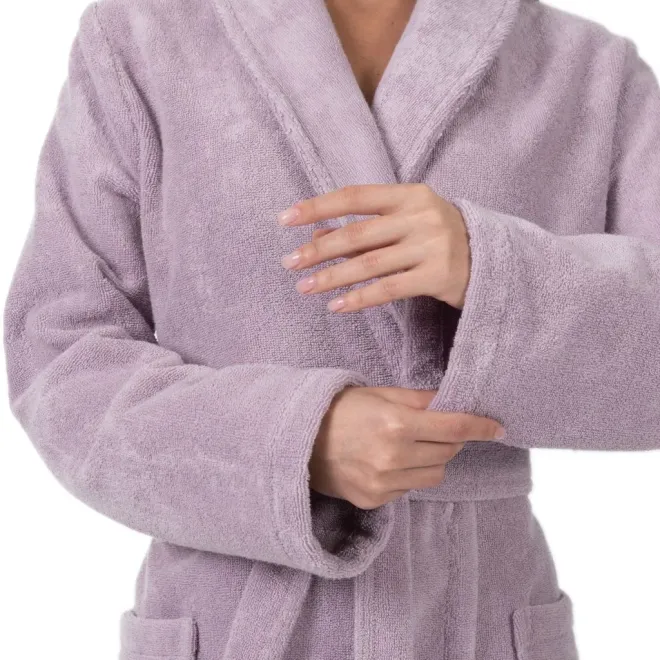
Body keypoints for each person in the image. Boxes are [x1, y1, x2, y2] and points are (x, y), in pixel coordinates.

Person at [4, 0, 660, 657]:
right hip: (231, 622)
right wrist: (291, 443)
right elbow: (60, 359)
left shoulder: (590, 70)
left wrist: (491, 267)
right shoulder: (142, 37)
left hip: (479, 617)